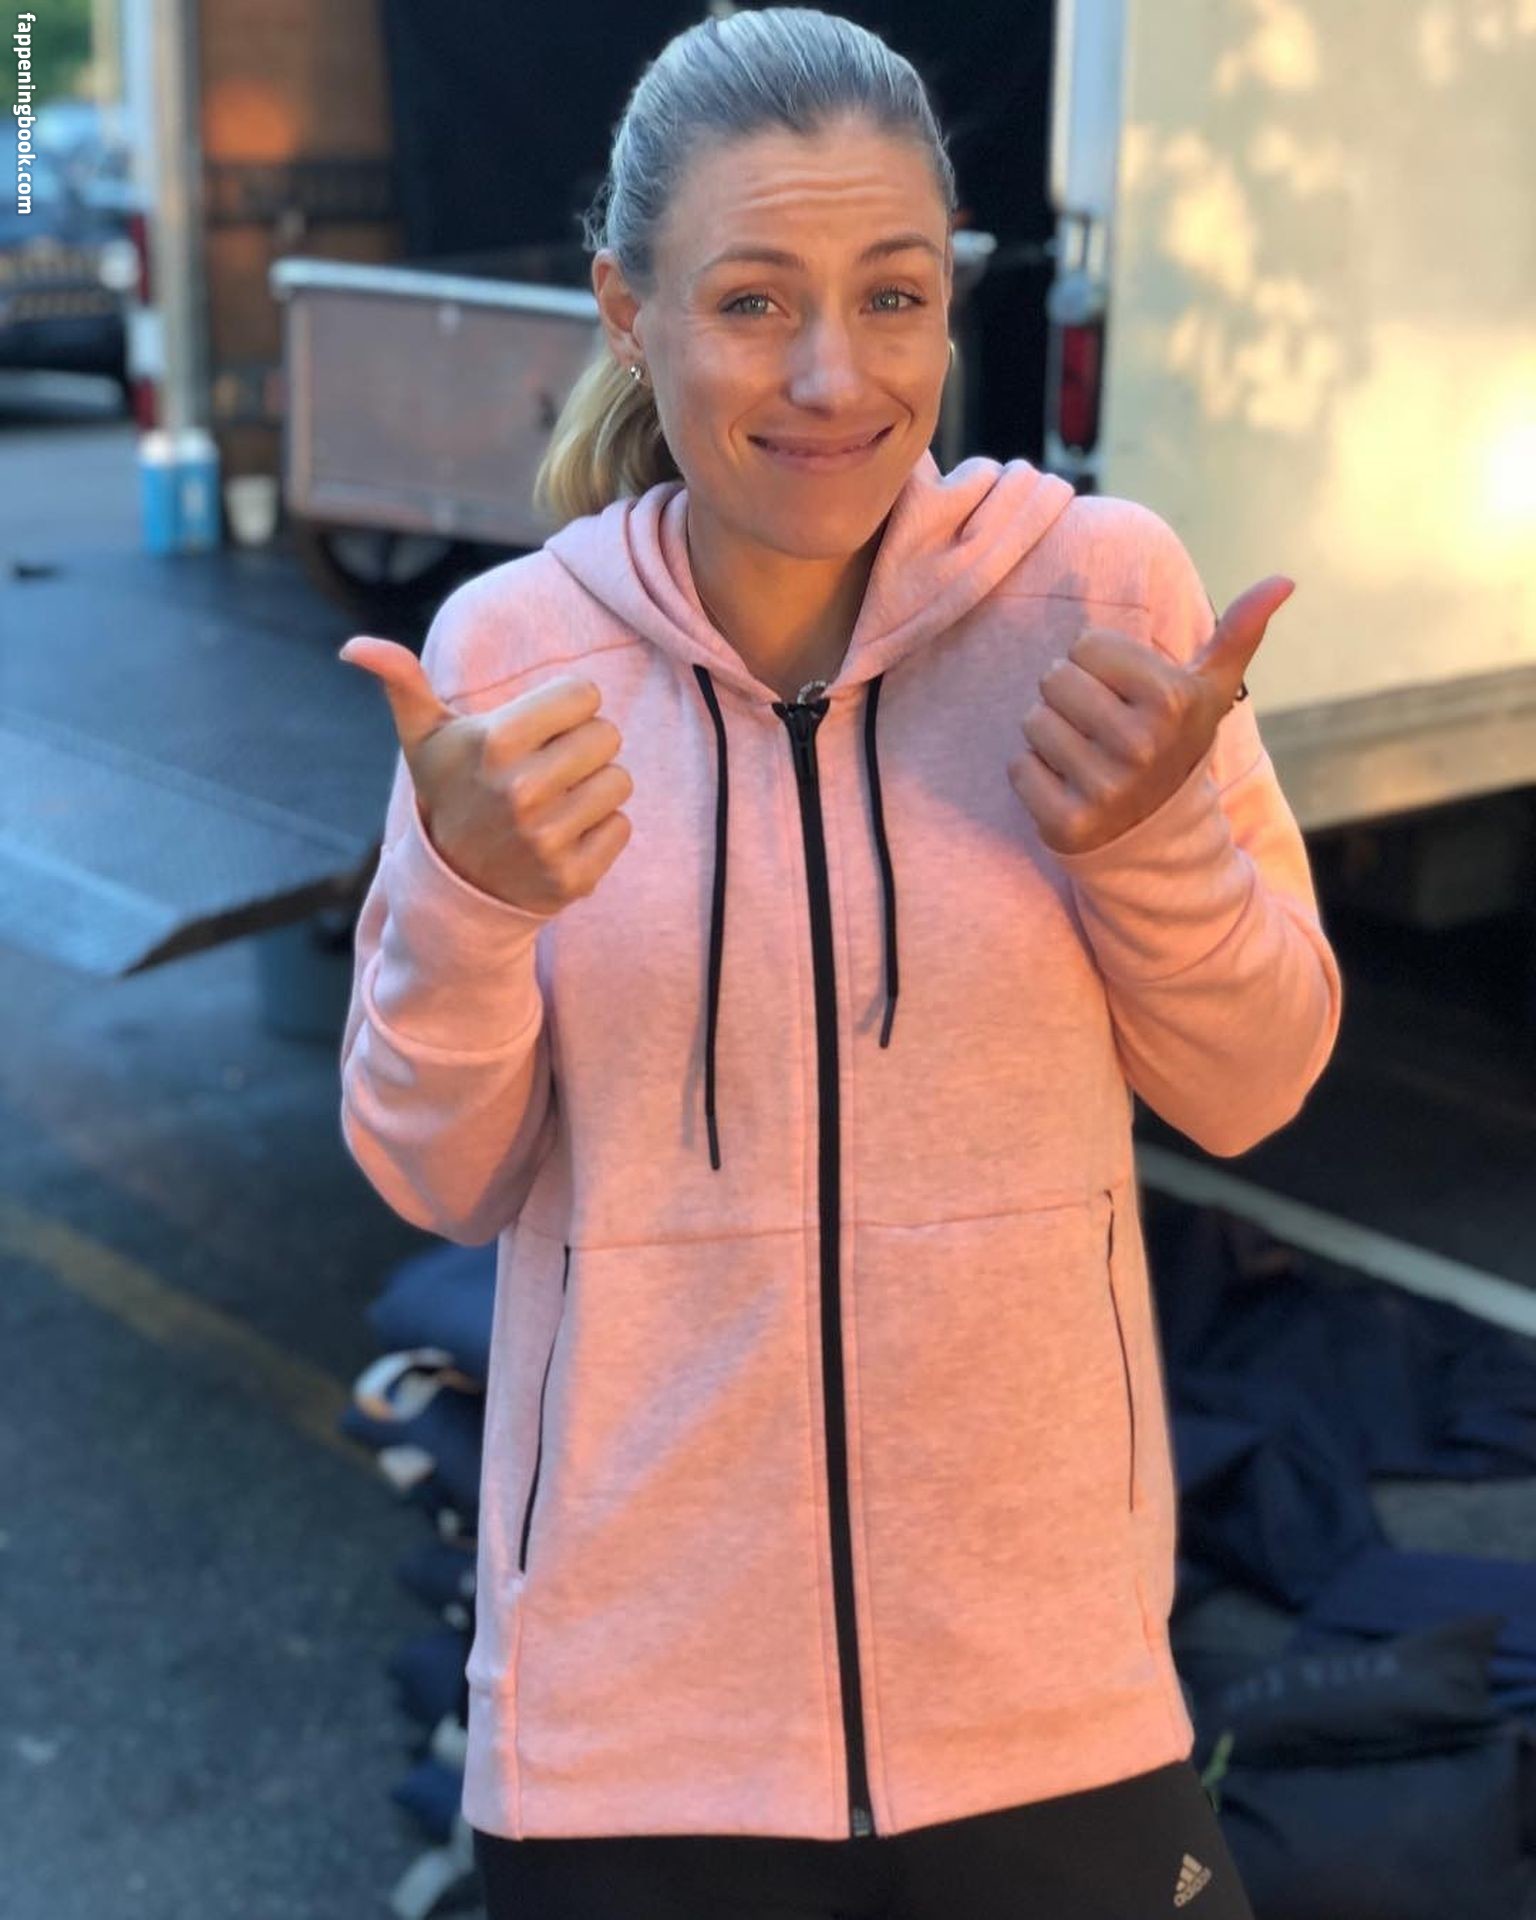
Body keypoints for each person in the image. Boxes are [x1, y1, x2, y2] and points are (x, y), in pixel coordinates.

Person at [337, 8, 1343, 1915]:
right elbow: (437, 1178)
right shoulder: (511, 663)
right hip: (629, 1726)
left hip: (1050, 1699)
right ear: (628, 313)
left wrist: (1153, 847)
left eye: (893, 297)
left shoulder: (1098, 602)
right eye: (751, 302)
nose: (831, 376)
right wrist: (467, 908)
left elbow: (1255, 1084)